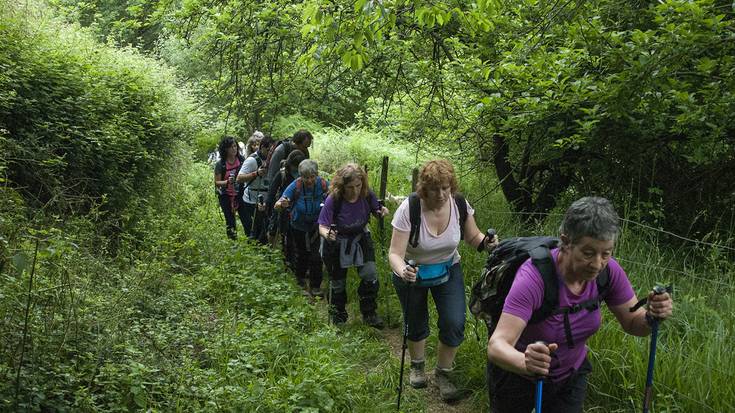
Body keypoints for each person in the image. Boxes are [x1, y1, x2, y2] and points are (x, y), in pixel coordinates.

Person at [486, 197, 674, 413]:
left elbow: (633, 323)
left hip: (571, 377)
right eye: (588, 253)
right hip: (518, 377)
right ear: (566, 242)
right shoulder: (534, 278)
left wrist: (652, 316)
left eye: (606, 253)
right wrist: (525, 362)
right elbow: (497, 346)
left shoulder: (609, 272)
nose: (597, 264)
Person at [389, 159, 499, 403]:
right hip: (413, 271)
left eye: (445, 188)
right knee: (416, 320)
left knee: (454, 321)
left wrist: (487, 243)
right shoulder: (410, 208)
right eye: (434, 189)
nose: (440, 194)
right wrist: (403, 269)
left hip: (448, 268)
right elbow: (394, 253)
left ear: (452, 187)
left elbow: (473, 237)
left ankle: (443, 374)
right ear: (424, 189)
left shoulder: (459, 204)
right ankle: (417, 367)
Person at [318, 164, 390, 327]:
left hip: (360, 237)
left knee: (370, 274)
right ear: (342, 186)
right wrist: (327, 234)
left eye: (358, 185)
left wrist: (381, 212)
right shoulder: (333, 199)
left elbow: (377, 209)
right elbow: (322, 225)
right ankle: (338, 317)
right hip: (336, 241)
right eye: (350, 187)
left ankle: (369, 313)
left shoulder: (366, 194)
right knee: (337, 282)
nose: (355, 191)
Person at [275, 159, 328, 296]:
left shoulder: (323, 184)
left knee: (317, 256)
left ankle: (315, 286)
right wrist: (282, 204)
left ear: (316, 175)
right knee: (302, 254)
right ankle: (300, 282)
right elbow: (278, 203)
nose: (309, 180)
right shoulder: (296, 185)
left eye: (312, 177)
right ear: (300, 176)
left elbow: (335, 195)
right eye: (305, 177)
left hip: (317, 226)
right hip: (298, 226)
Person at [266, 149, 307, 270]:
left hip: (299, 209)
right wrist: (269, 208)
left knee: (296, 236)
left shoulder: (305, 175)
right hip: (283, 208)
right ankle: (285, 260)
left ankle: (297, 262)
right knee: (283, 233)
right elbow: (272, 191)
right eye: (295, 168)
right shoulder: (282, 174)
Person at [237, 135, 273, 243]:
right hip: (252, 199)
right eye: (268, 150)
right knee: (258, 227)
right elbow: (239, 178)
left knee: (265, 226)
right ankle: (256, 248)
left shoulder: (273, 159)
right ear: (262, 147)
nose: (270, 153)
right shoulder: (252, 160)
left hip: (267, 199)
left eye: (272, 151)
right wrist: (256, 173)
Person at [213, 136, 247, 239]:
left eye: (235, 146)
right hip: (225, 196)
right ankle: (233, 244)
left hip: (240, 193)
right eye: (231, 147)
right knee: (230, 222)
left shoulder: (241, 160)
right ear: (225, 149)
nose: (234, 149)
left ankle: (252, 241)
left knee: (246, 220)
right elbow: (217, 182)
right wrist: (227, 182)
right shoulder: (221, 164)